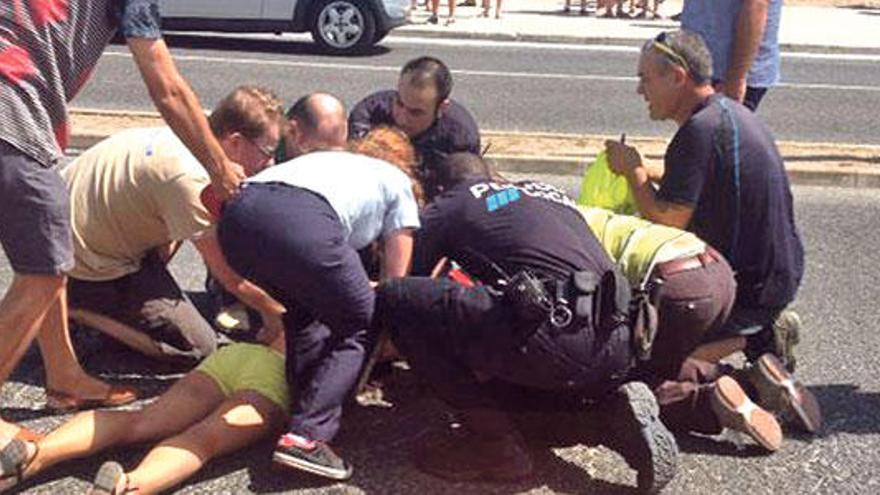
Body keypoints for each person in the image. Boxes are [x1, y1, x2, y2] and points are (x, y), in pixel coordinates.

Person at [0, 0, 244, 443]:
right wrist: (219, 167)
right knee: (44, 272)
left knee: (51, 254)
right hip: (12, 113)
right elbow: (166, 86)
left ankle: (64, 376)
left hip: (18, 111)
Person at [374, 153, 678, 493]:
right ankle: (608, 420)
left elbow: (410, 277)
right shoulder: (546, 194)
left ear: (441, 188)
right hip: (623, 339)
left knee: (397, 296)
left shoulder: (454, 201)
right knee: (511, 389)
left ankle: (494, 449)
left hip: (556, 331)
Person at [217, 126, 422, 480]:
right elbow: (395, 283)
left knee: (304, 313)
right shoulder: (396, 181)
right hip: (302, 221)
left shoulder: (330, 161)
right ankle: (307, 438)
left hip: (238, 219)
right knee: (361, 320)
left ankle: (301, 409)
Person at [604, 30, 804, 371]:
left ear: (678, 77)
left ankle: (759, 335)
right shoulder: (724, 112)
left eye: (645, 79)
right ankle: (753, 330)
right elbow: (698, 177)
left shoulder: (697, 132)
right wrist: (646, 170)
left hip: (752, 289)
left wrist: (634, 172)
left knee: (649, 359)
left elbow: (666, 220)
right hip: (779, 270)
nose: (640, 90)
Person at [61, 86, 286, 367]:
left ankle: (120, 297)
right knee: (198, 347)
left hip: (69, 233)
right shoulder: (192, 181)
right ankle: (76, 310)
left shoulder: (190, 133)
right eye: (267, 151)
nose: (271, 161)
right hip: (87, 264)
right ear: (236, 142)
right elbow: (229, 278)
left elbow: (178, 225)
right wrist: (272, 313)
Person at [579, 206, 822, 451]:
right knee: (658, 362)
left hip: (672, 286)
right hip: (713, 266)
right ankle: (754, 383)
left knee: (620, 382)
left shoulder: (547, 240)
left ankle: (708, 404)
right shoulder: (578, 213)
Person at [0, 323, 293, 494]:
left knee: (141, 420)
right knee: (202, 440)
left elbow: (269, 328)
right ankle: (129, 485)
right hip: (279, 374)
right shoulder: (338, 289)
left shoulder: (306, 270)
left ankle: (36, 453)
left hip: (240, 355)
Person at [349, 56, 481, 196]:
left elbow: (461, 197)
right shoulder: (370, 114)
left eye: (416, 112)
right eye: (399, 103)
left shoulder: (460, 136)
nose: (402, 119)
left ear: (441, 109)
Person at [681, 0, 783, 110]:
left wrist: (737, 78)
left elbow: (757, 5)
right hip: (698, 63)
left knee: (714, 124)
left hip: (728, 70)